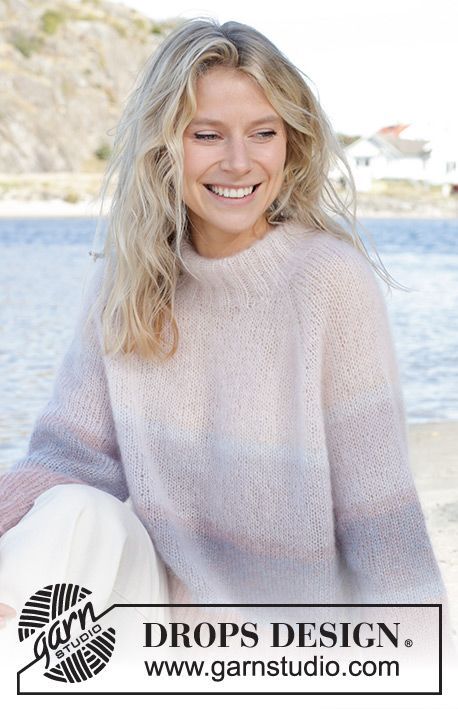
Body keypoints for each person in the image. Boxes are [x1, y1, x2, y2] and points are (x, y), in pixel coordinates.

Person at [0, 17, 453, 672]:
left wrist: (423, 670)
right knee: (74, 513)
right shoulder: (128, 283)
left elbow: (379, 514)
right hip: (154, 624)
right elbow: (67, 457)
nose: (238, 162)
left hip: (287, 646)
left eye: (263, 133)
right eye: (207, 134)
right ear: (165, 146)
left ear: (291, 144)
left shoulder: (327, 280)